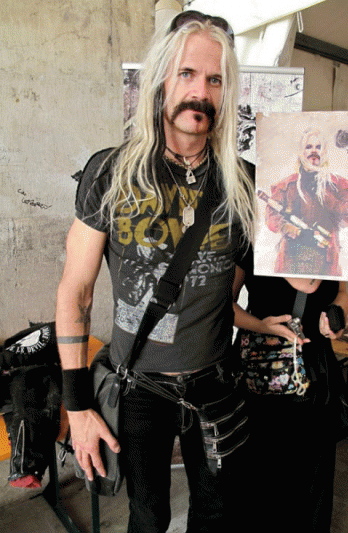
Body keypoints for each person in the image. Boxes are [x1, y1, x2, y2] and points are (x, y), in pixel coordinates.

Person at [55, 10, 255, 533]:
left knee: (216, 515)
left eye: (215, 80)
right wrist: (77, 407)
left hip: (215, 382)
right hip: (140, 386)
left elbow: (282, 267)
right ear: (162, 79)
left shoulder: (245, 183)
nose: (201, 92)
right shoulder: (111, 172)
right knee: (148, 517)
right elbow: (76, 292)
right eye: (187, 74)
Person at [232, 124, 348, 532]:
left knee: (314, 475)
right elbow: (223, 305)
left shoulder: (333, 235)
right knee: (263, 472)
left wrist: (337, 315)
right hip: (264, 371)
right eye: (306, 146)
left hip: (317, 372)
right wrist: (260, 324)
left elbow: (340, 294)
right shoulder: (257, 238)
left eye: (318, 148)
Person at [265, 127, 348, 276]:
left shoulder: (339, 185)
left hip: (326, 260)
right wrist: (288, 227)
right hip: (291, 258)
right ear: (302, 152)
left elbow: (347, 219)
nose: (314, 151)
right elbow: (271, 216)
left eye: (318, 147)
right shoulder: (287, 184)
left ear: (324, 151)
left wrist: (328, 198)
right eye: (309, 147)